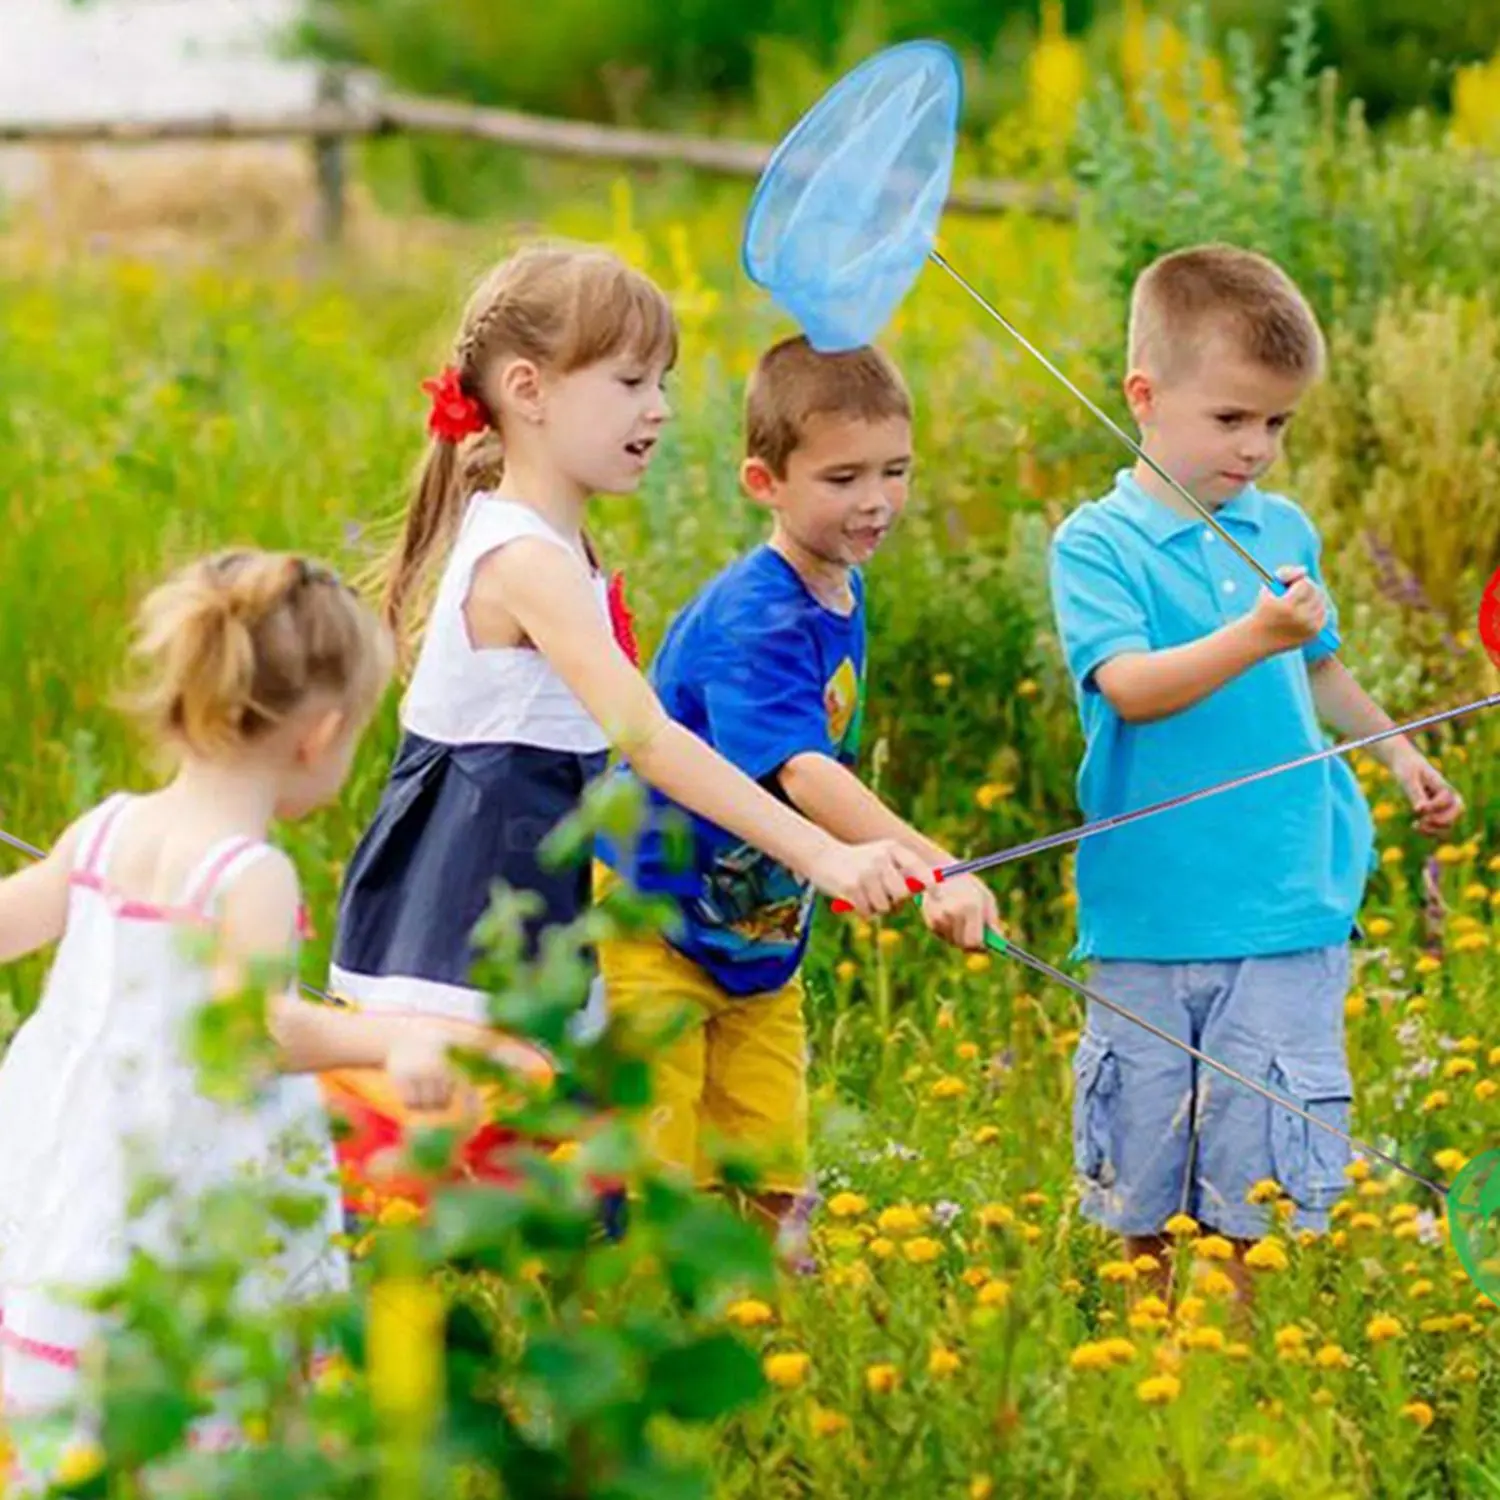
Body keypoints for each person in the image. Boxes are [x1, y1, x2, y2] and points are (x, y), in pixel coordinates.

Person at [324, 245, 928, 1204]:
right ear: (529, 390)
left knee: (551, 1193)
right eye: (631, 381)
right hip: (465, 904)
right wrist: (823, 855)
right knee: (433, 1189)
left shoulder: (555, 541)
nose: (659, 408)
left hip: (536, 889)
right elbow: (647, 737)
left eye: (665, 383)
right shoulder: (524, 558)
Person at [0, 549, 500, 1487]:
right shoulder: (247, 873)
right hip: (191, 1199)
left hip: (79, 1187)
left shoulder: (106, 829)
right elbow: (256, 1033)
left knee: (71, 1437)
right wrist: (394, 1035)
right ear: (318, 736)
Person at [1048, 244, 1464, 1299]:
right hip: (1148, 910)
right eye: (1231, 419)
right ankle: (1148, 1384)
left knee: (1258, 1190)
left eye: (1277, 423)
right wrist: (1256, 632)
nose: (1258, 449)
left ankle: (1231, 1378)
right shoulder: (1098, 546)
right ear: (1144, 396)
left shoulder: (1280, 530)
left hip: (1284, 901)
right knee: (1142, 1189)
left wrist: (1398, 749)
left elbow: (1317, 666)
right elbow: (1131, 686)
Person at [595, 335, 1000, 1245]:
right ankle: (632, 1333)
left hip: (762, 939)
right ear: (763, 483)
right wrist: (938, 867)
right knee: (650, 1162)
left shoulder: (840, 590)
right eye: (843, 477)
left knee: (771, 1162)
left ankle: (769, 1343)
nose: (876, 500)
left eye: (895, 470)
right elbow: (803, 769)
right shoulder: (756, 614)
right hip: (656, 921)